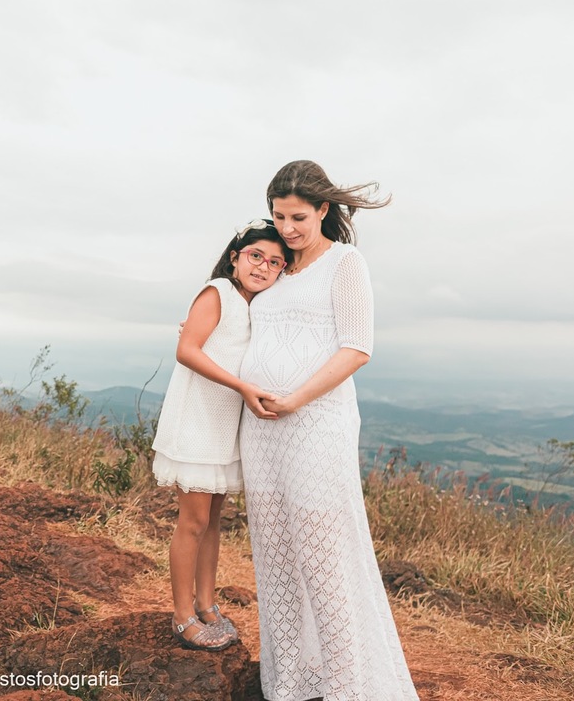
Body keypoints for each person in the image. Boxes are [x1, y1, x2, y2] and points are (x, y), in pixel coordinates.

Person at [239, 160, 418, 699]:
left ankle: (344, 687)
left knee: (323, 556)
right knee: (274, 556)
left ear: (323, 210)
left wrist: (296, 397)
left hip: (316, 423)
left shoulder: (345, 263)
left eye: (297, 217)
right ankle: (291, 683)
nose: (288, 228)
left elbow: (357, 348)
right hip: (262, 430)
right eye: (279, 216)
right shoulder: (272, 266)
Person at [151, 220, 291, 651]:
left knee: (213, 523)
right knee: (192, 522)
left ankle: (207, 603)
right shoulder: (218, 291)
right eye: (255, 256)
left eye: (275, 263)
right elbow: (187, 350)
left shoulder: (260, 306)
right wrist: (243, 387)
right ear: (235, 257)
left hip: (225, 428)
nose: (263, 267)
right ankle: (182, 615)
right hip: (197, 421)